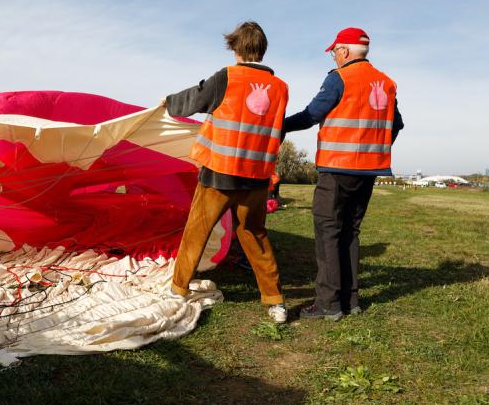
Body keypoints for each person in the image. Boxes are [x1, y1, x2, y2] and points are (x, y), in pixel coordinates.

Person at [164, 21, 289, 324]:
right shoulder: (281, 88)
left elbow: (193, 100)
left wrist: (168, 103)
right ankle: (275, 303)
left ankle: (178, 289)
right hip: (257, 177)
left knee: (197, 231)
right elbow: (276, 130)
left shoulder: (226, 78)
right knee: (254, 235)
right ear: (262, 50)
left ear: (235, 48)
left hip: (219, 173)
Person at [283, 27, 404, 320]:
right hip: (369, 170)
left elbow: (312, 114)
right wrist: (374, 150)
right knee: (350, 231)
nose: (335, 57)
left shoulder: (339, 77)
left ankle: (328, 303)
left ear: (345, 51)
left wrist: (280, 125)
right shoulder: (386, 83)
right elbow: (396, 124)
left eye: (335, 51)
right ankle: (351, 300)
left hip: (338, 168)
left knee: (328, 232)